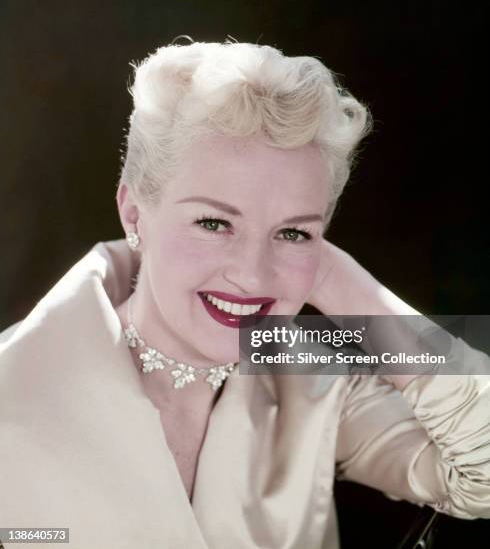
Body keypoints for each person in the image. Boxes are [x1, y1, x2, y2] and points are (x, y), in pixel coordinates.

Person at [0, 40, 488, 549]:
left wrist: (341, 283)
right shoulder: (13, 390)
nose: (253, 278)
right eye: (214, 222)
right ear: (133, 213)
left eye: (294, 232)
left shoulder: (314, 384)